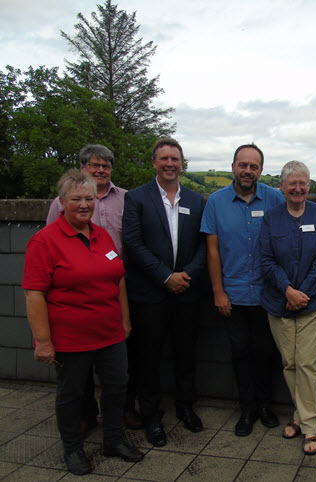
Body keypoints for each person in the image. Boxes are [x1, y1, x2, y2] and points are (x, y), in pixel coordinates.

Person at [23, 169, 144, 476]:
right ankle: (73, 448)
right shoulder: (45, 241)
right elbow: (34, 294)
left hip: (110, 331)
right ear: (61, 202)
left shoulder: (102, 235)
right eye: (76, 198)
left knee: (118, 386)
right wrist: (44, 341)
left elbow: (118, 280)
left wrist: (125, 320)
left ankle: (114, 440)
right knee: (72, 393)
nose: (84, 204)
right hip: (70, 337)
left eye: (89, 199)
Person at [46, 145, 143, 433]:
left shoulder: (127, 198)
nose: (101, 170)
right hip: (76, 295)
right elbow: (52, 244)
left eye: (106, 166)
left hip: (119, 287)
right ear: (83, 167)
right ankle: (86, 413)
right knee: (78, 367)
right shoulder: (59, 204)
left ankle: (124, 410)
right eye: (95, 165)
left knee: (122, 360)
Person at [122, 138, 206, 447]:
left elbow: (203, 245)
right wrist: (164, 276)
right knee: (148, 359)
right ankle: (151, 417)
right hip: (149, 295)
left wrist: (186, 275)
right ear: (154, 162)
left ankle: (185, 407)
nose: (170, 163)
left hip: (186, 291)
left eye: (175, 158)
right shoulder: (137, 198)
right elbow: (133, 243)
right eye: (164, 158)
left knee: (186, 355)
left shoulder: (197, 201)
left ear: (182, 163)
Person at [201, 143, 284, 436]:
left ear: (261, 170)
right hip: (233, 294)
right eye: (242, 165)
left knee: (266, 351)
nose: (248, 171)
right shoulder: (216, 201)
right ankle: (246, 408)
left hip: (267, 294)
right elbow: (212, 252)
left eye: (254, 166)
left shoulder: (275, 199)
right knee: (240, 353)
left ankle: (265, 404)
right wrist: (218, 292)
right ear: (233, 166)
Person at [259, 161, 316, 456]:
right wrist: (288, 290)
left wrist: (303, 293)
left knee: (308, 364)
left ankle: (311, 426)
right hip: (279, 302)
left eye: (303, 183)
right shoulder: (271, 217)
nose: (298, 188)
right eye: (292, 184)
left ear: (309, 186)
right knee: (289, 363)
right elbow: (265, 259)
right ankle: (299, 416)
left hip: (314, 304)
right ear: (282, 187)